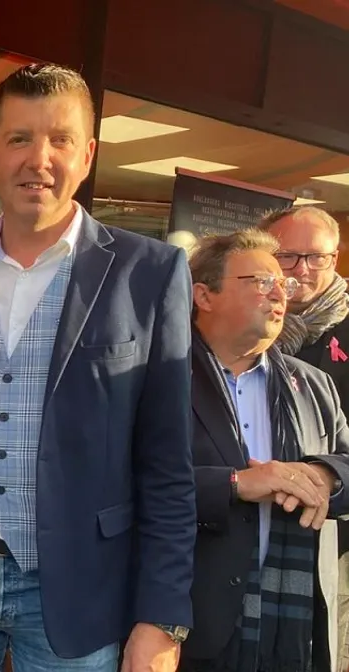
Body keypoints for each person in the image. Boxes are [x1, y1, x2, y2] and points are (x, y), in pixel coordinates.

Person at [0, 63, 196, 672]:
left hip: (83, 588)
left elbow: (168, 464)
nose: (39, 159)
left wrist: (162, 616)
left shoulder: (150, 273)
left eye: (60, 140)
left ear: (87, 155)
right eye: (18, 138)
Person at [184, 228, 349, 671]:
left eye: (285, 285)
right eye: (261, 281)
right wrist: (236, 484)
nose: (281, 293)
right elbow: (124, 483)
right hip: (187, 620)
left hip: (289, 628)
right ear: (205, 295)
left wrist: (325, 477)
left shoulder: (312, 384)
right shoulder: (157, 376)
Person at [260, 204, 349, 670]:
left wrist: (325, 474)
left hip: (335, 537)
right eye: (288, 256)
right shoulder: (226, 327)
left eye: (319, 257)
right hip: (240, 527)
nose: (303, 271)